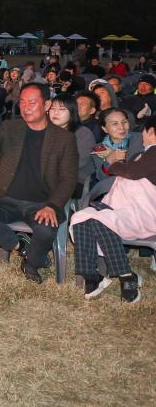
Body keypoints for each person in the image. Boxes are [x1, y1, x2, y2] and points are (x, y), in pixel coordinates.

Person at [0, 83, 79, 283]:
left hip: (42, 203)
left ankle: (32, 263)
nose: (26, 107)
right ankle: (22, 247)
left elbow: (69, 178)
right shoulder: (11, 128)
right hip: (9, 200)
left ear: (46, 105)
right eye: (22, 102)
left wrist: (52, 205)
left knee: (46, 229)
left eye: (32, 102)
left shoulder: (64, 139)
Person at [69, 115, 156, 304]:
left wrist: (113, 162)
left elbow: (131, 172)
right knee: (81, 218)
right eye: (114, 123)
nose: (141, 135)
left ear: (151, 132)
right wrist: (112, 163)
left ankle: (126, 276)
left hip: (143, 214)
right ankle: (93, 276)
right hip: (123, 211)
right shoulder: (142, 154)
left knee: (98, 220)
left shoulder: (153, 152)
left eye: (143, 131)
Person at [47, 94, 96, 195]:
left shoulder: (83, 133)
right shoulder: (46, 130)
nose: (55, 112)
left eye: (61, 109)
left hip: (74, 180)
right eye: (52, 108)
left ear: (72, 112)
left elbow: (75, 163)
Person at [91, 108, 143, 182]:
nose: (122, 127)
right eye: (115, 124)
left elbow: (144, 167)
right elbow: (101, 177)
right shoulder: (99, 149)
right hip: (114, 186)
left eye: (124, 122)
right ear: (105, 129)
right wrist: (108, 160)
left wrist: (120, 157)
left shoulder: (141, 139)